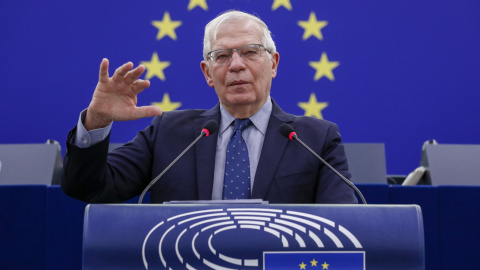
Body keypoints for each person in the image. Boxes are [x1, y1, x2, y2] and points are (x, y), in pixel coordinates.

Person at [61, 10, 358, 204]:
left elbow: (343, 226)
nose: (237, 65)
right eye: (222, 56)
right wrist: (96, 121)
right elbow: (87, 188)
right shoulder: (169, 133)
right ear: (207, 72)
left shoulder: (315, 140)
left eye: (250, 52)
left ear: (274, 63)